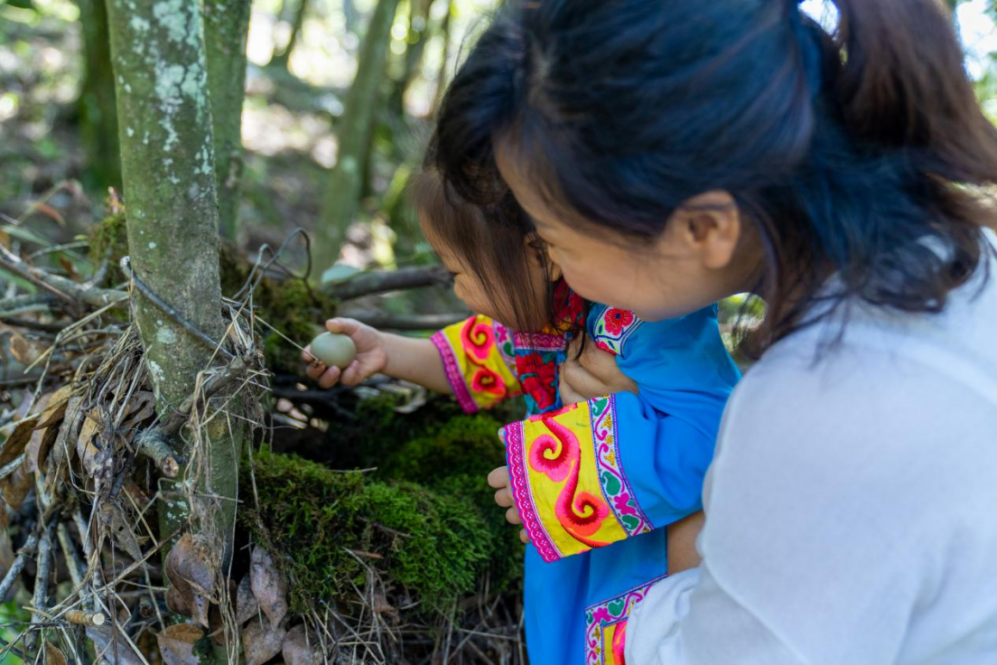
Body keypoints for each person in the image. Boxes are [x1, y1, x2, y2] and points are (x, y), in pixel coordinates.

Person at [432, 0, 997, 662]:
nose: (549, 263)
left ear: (703, 229)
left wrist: (694, 508)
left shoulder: (817, 410)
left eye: (552, 235)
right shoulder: (959, 262)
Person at [305, 167, 740, 665]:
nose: (458, 291)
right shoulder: (545, 316)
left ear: (541, 252)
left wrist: (561, 475)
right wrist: (385, 351)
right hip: (586, 553)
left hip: (652, 555)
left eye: (459, 272)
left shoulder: (650, 319)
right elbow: (476, 361)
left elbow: (713, 436)